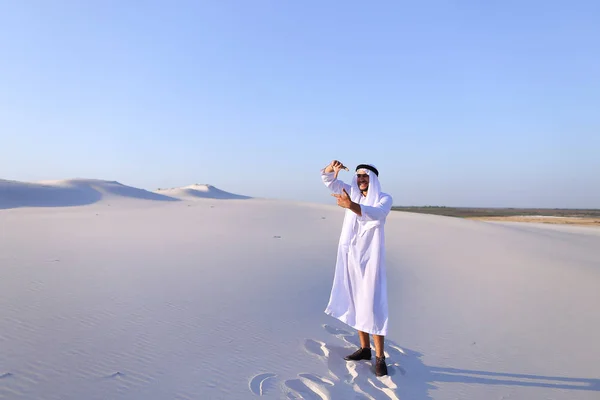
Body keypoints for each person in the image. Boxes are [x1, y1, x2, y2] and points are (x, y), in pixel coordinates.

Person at [320, 160, 393, 377]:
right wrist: (330, 169)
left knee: (373, 303)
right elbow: (328, 182)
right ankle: (365, 349)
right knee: (356, 299)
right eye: (359, 176)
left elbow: (377, 214)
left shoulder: (384, 198)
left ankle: (380, 358)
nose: (361, 179)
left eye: (365, 176)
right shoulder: (351, 191)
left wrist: (350, 205)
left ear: (374, 179)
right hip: (349, 254)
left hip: (370, 258)